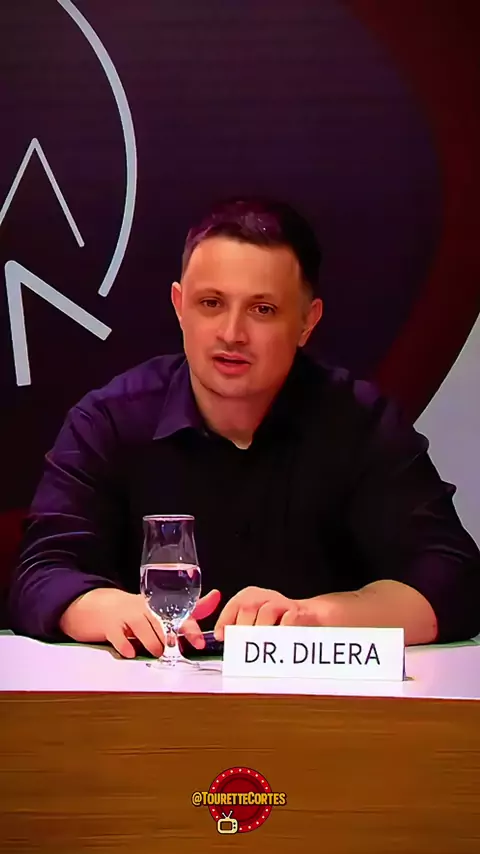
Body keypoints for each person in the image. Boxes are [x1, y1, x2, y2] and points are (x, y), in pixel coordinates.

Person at [8, 197, 480, 657]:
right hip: (149, 695)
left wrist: (313, 618)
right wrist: (110, 608)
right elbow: (41, 574)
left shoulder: (360, 424)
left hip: (315, 698)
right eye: (211, 303)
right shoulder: (108, 420)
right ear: (179, 305)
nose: (232, 333)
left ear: (307, 322)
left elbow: (454, 578)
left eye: (263, 310)